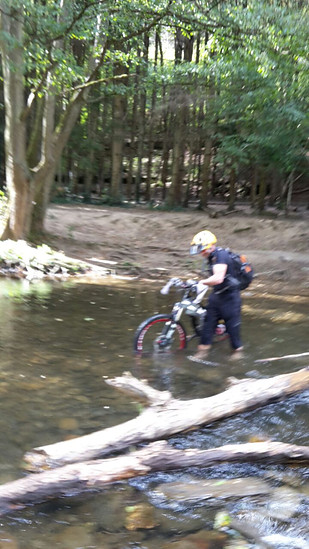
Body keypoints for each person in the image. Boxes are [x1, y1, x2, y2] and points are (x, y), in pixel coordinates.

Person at [190, 230, 243, 361]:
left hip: (230, 298)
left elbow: (218, 278)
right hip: (216, 296)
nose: (200, 252)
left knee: (233, 331)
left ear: (209, 245)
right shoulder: (210, 258)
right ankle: (201, 354)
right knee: (207, 327)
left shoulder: (221, 255)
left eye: (201, 249)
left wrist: (201, 282)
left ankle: (237, 356)